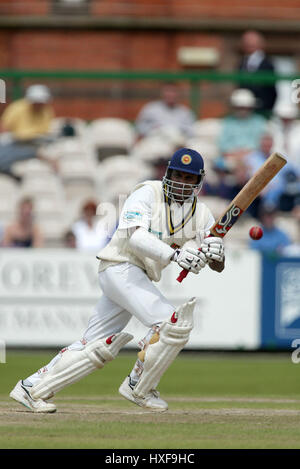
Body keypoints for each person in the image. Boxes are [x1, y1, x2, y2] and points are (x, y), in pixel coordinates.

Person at [9, 147, 225, 413]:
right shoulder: (146, 193)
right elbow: (135, 237)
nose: (181, 182)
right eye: (177, 175)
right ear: (168, 173)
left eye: (188, 178)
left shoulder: (201, 213)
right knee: (173, 325)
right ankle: (138, 386)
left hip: (136, 276)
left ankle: (30, 388)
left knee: (93, 346)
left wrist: (215, 254)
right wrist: (176, 255)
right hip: (118, 267)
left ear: (198, 181)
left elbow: (216, 263)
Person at [0, 84, 57, 181]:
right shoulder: (17, 108)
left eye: (40, 102)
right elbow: (4, 127)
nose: (38, 104)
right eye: (36, 101)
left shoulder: (47, 111)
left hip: (36, 143)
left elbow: (46, 131)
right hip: (15, 143)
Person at [218, 88, 267, 162]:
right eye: (239, 108)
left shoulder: (259, 122)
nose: (243, 111)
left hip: (254, 158)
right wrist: (235, 153)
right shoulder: (228, 122)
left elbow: (262, 144)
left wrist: (246, 153)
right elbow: (222, 144)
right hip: (231, 157)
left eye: (246, 108)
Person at [238, 30, 277, 114]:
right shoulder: (241, 62)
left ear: (260, 44)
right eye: (246, 42)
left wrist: (267, 108)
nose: (249, 44)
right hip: (244, 109)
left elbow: (272, 90)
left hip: (263, 108)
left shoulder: (269, 64)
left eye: (252, 42)